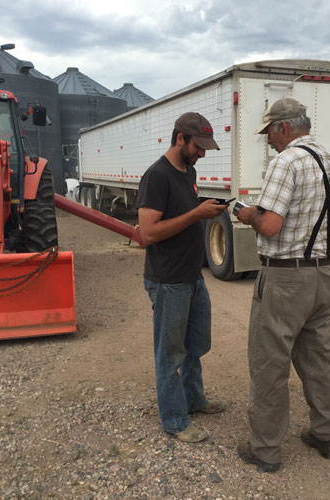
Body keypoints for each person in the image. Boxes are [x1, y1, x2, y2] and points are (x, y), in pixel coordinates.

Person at [235, 98, 330, 472]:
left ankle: (265, 450)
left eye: (268, 133)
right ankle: (326, 434)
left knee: (270, 360)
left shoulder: (286, 161)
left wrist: (244, 212)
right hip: (323, 274)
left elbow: (269, 225)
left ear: (283, 127)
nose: (268, 141)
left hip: (285, 277)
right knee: (319, 357)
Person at [137, 112, 228, 443]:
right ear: (180, 139)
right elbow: (148, 233)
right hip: (168, 281)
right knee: (170, 352)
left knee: (196, 344)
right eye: (198, 147)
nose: (202, 154)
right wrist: (196, 213)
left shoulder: (187, 171)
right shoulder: (156, 177)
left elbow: (181, 212)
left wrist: (205, 206)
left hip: (192, 277)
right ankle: (174, 419)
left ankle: (193, 400)